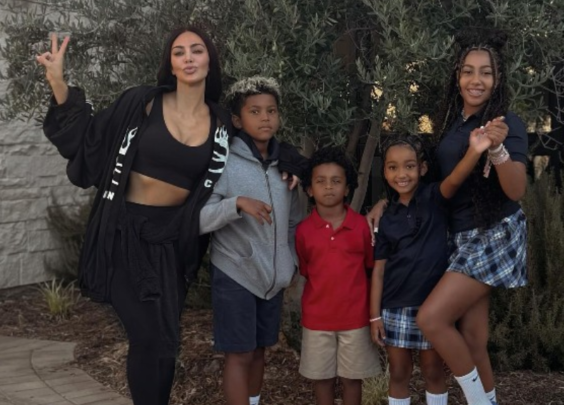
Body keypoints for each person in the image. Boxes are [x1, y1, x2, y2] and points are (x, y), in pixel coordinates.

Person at [37, 28, 304, 405]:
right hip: (124, 232)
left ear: (209, 61)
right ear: (171, 64)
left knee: (165, 342)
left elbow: (262, 141)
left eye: (197, 50)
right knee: (148, 336)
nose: (188, 57)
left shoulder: (221, 123)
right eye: (179, 52)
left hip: (173, 240)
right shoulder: (141, 103)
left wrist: (292, 166)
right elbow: (87, 139)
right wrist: (58, 83)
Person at [368, 29, 528, 405]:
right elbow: (432, 181)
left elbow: (516, 189)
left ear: (497, 78)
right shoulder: (450, 124)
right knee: (472, 339)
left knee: (432, 319)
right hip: (459, 236)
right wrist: (385, 201)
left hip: (493, 233)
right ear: (457, 76)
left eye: (486, 72)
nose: (476, 80)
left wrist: (498, 150)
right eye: (468, 71)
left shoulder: (505, 123)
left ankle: (478, 400)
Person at [199, 76, 303, 405]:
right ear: (237, 119)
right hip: (235, 273)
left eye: (271, 111)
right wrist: (236, 204)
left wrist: (290, 261)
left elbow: (294, 220)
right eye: (254, 111)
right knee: (239, 354)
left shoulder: (286, 166)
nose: (265, 118)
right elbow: (199, 218)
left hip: (273, 278)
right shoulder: (224, 163)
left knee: (259, 351)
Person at [369, 130, 492, 405]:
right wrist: (374, 316)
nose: (401, 174)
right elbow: (378, 271)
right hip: (395, 306)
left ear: (422, 168)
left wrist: (475, 150)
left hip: (433, 306)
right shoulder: (385, 218)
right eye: (393, 167)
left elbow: (455, 178)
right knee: (398, 372)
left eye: (409, 166)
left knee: (434, 371)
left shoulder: (434, 197)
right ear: (385, 172)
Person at [295, 147, 381, 405]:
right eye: (320, 181)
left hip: (355, 320)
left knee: (352, 379)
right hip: (316, 321)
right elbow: (306, 269)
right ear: (310, 189)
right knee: (322, 380)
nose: (328, 187)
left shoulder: (361, 227)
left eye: (336, 181)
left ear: (347, 188)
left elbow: (370, 268)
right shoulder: (303, 231)